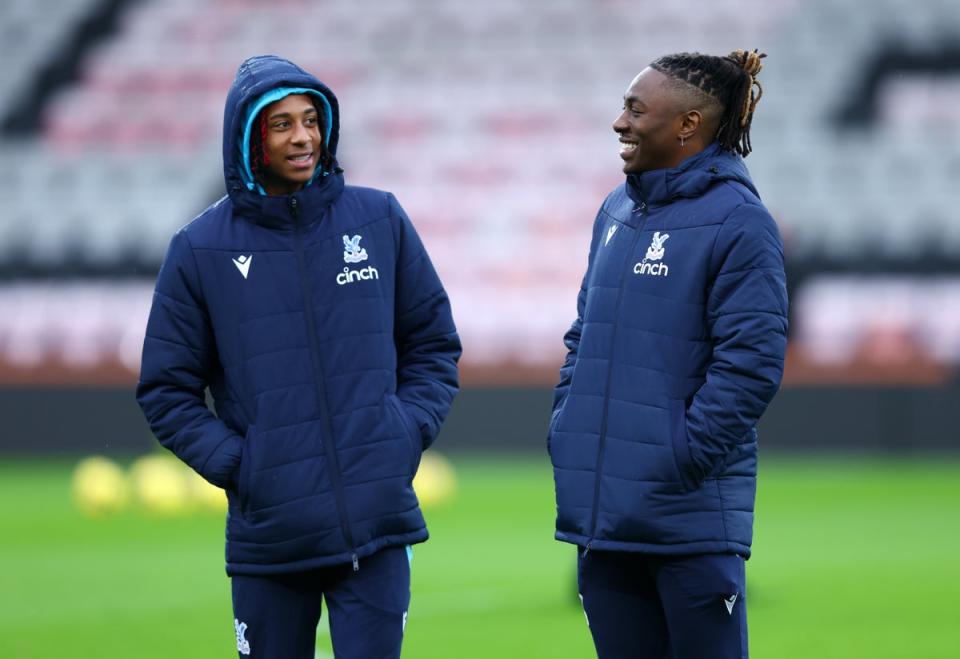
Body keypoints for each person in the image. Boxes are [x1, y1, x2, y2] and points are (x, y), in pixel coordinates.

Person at [136, 55, 460, 659]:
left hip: (376, 526)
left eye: (311, 120)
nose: (303, 136)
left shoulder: (379, 217)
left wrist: (403, 432)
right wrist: (244, 465)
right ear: (247, 138)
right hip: (271, 538)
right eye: (281, 124)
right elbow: (165, 390)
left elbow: (432, 343)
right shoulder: (199, 249)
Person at [548, 50, 787, 658]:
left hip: (688, 521)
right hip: (605, 516)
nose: (619, 122)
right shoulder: (616, 211)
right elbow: (584, 334)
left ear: (687, 125)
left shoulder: (739, 220)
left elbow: (751, 363)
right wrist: (568, 424)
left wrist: (679, 458)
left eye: (635, 108)